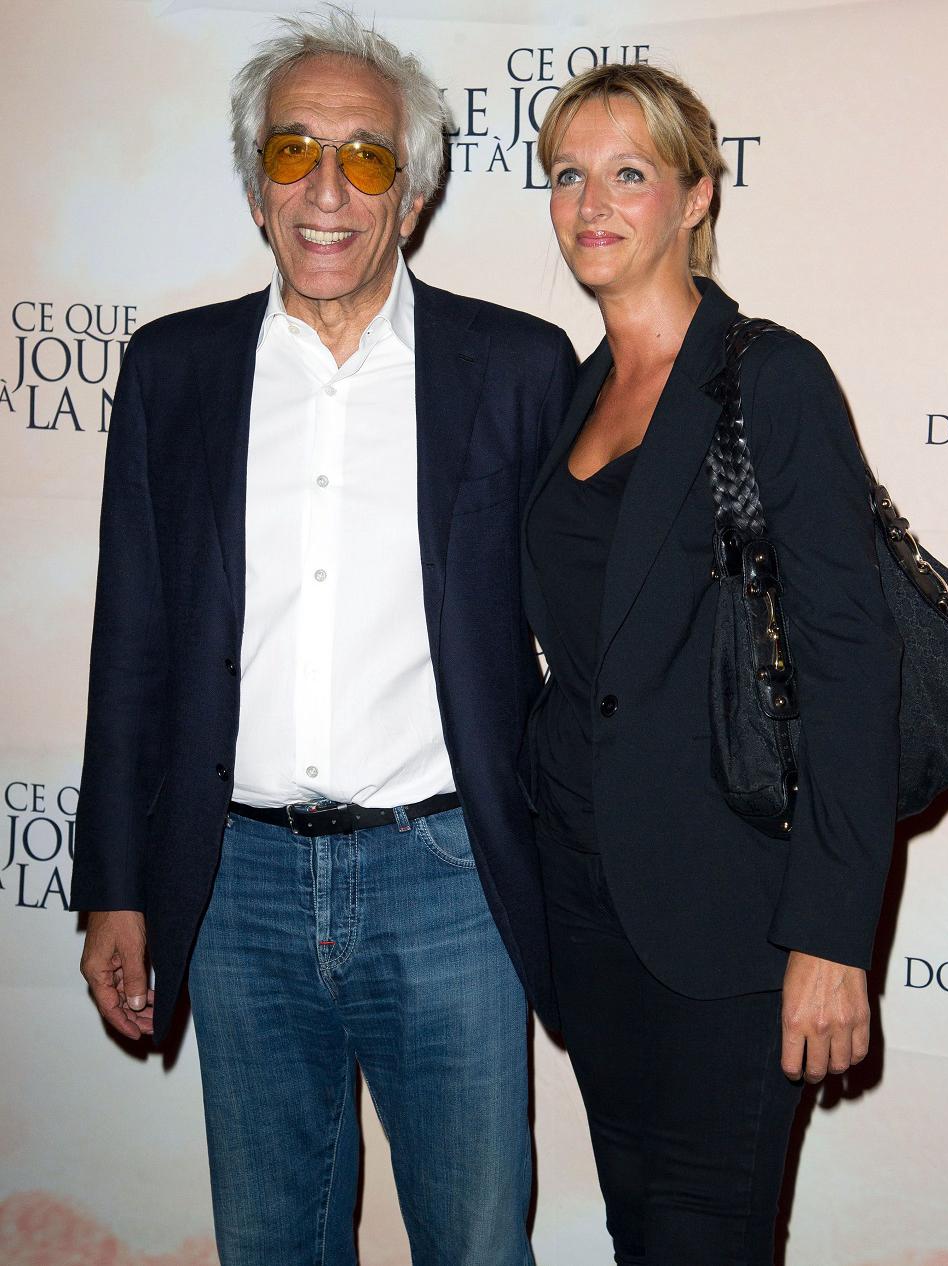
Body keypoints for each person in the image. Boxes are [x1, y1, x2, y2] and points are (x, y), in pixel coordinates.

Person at [70, 9, 576, 1265]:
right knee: (270, 1243)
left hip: (447, 879)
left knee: (476, 1243)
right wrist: (116, 885)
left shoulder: (517, 367)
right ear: (256, 187)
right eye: (294, 152)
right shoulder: (173, 370)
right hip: (234, 885)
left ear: (413, 195)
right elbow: (130, 646)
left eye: (366, 157)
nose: (328, 191)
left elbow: (586, 647)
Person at [522, 63, 901, 1263]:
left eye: (627, 173)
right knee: (638, 1229)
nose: (591, 203)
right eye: (567, 175)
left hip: (729, 922)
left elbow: (850, 672)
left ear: (694, 196)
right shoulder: (575, 390)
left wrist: (831, 937)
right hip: (588, 912)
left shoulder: (768, 378)